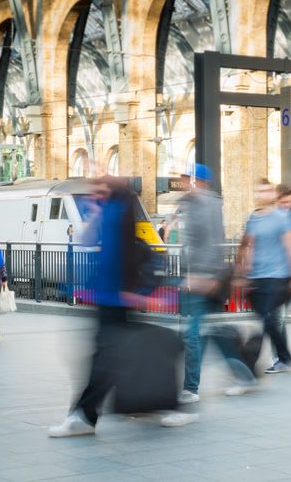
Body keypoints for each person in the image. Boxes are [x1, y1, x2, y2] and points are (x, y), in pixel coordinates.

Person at [49, 177, 196, 437]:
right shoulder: (107, 213)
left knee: (105, 361)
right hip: (108, 299)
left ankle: (84, 416)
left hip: (115, 300)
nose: (95, 196)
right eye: (95, 192)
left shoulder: (117, 214)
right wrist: (95, 211)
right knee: (112, 358)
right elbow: (86, 240)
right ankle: (93, 414)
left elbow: (120, 259)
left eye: (101, 192)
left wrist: (134, 296)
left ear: (114, 193)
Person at [235, 179, 291, 374]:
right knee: (266, 319)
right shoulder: (253, 218)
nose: (264, 195)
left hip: (279, 275)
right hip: (257, 276)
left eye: (267, 190)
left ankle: (251, 366)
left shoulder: (284, 218)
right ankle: (283, 357)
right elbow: (246, 245)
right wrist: (241, 273)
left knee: (268, 318)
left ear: (273, 194)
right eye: (260, 191)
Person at [177, 164, 228, 403]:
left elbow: (203, 240)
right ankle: (240, 369)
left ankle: (191, 388)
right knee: (203, 331)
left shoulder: (201, 205)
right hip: (204, 275)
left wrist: (199, 274)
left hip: (199, 277)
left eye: (186, 178)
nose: (183, 182)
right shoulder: (206, 203)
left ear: (197, 181)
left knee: (192, 333)